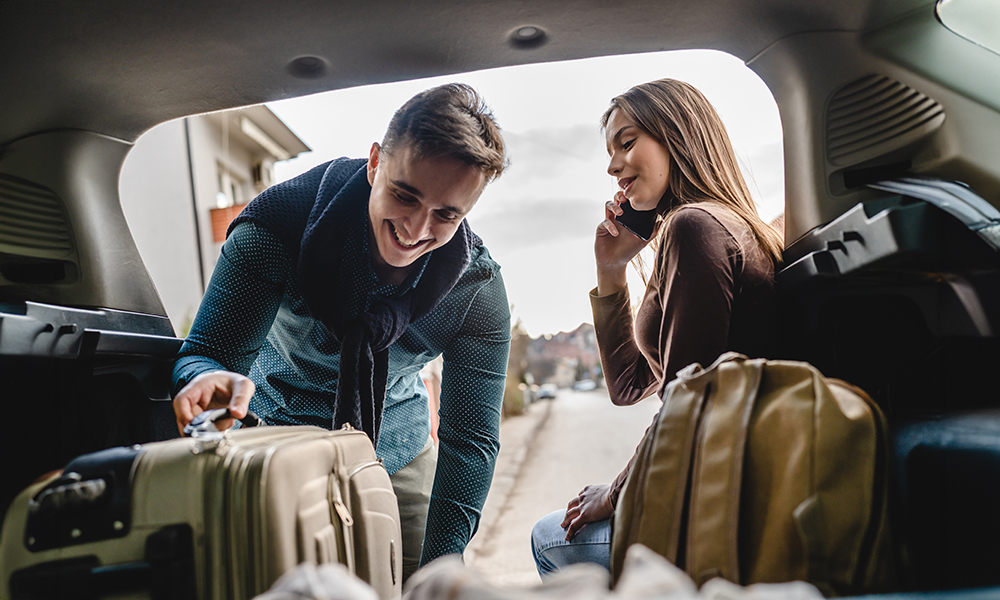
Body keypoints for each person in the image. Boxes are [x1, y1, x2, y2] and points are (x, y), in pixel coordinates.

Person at [171, 83, 511, 580]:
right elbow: (205, 354)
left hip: (398, 449)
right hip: (272, 436)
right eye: (405, 194)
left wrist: (442, 569)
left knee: (427, 580)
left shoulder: (476, 290)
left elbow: (471, 437)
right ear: (375, 162)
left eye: (446, 215)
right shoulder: (276, 226)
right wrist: (201, 379)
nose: (416, 229)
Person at [530, 79, 783, 576]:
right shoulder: (707, 227)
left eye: (627, 143)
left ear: (679, 136)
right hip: (719, 480)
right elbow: (628, 386)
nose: (612, 166)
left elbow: (685, 407)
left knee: (547, 537)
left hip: (724, 499)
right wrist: (611, 270)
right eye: (610, 151)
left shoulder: (696, 228)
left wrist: (617, 491)